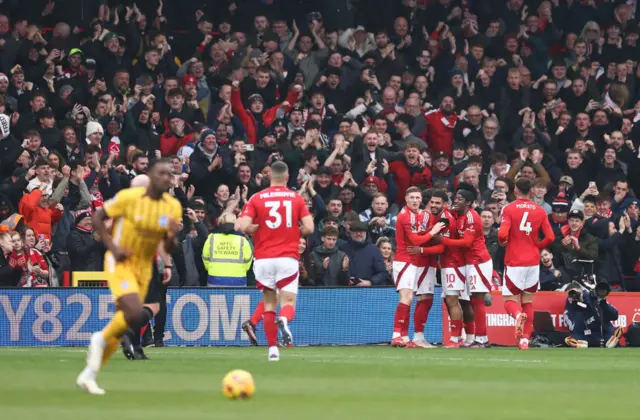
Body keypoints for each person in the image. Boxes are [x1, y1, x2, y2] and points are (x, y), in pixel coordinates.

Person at [76, 159, 182, 395]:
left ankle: (90, 373)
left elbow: (167, 243)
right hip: (121, 261)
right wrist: (113, 248)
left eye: (171, 174)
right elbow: (98, 218)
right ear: (151, 176)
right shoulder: (129, 198)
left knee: (128, 319)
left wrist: (173, 237)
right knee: (134, 311)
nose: (167, 177)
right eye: (162, 173)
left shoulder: (172, 207)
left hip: (144, 266)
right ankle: (99, 339)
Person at [234, 161, 314, 361]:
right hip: (287, 257)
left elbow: (240, 225)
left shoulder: (256, 198)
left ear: (269, 176)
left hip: (263, 259)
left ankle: (272, 351)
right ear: (287, 177)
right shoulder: (295, 198)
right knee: (288, 302)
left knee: (269, 304)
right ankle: (285, 320)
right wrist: (294, 234)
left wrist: (254, 229)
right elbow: (310, 228)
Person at [498, 178, 555, 350]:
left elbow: (501, 234)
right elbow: (551, 237)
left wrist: (503, 242)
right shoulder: (540, 211)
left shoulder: (508, 209)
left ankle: (517, 316)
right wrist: (536, 245)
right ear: (531, 191)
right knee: (528, 301)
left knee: (509, 300)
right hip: (533, 261)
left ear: (515, 190)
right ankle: (525, 340)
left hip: (515, 260)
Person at [438, 184, 493, 348]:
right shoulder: (459, 213)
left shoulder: (472, 217)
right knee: (472, 300)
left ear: (468, 203)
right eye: (456, 198)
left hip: (479, 261)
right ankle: (477, 338)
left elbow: (467, 242)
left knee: (477, 301)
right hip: (470, 263)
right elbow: (447, 209)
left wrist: (442, 240)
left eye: (460, 199)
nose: (456, 201)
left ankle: (482, 339)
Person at [391, 187, 444, 348]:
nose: (415, 200)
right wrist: (433, 231)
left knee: (418, 297)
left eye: (417, 198)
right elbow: (415, 240)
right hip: (404, 260)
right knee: (406, 297)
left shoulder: (421, 215)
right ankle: (397, 335)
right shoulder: (405, 216)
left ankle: (406, 337)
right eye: (412, 197)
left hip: (416, 261)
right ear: (406, 199)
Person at [564, 282, 624, 348]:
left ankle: (613, 336)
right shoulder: (569, 310)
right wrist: (578, 308)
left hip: (601, 332)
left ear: (582, 292)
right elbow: (574, 328)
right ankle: (577, 343)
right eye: (571, 294)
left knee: (608, 333)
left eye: (577, 293)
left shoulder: (593, 299)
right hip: (586, 334)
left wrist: (593, 303)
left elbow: (614, 315)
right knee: (573, 337)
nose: (574, 296)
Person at [202, 212, 253, 286]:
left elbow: (205, 258)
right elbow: (248, 261)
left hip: (214, 278)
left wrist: (211, 268)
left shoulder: (211, 238)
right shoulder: (242, 240)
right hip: (238, 279)